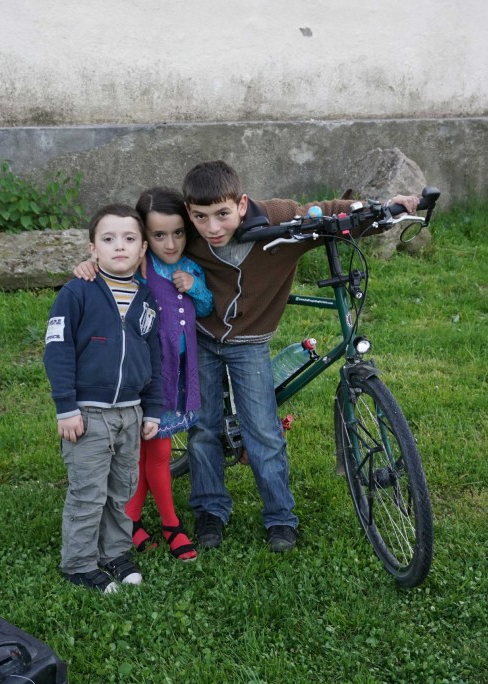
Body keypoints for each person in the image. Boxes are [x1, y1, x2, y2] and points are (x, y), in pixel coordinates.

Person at [181, 159, 421, 553]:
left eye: (222, 214)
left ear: (242, 204)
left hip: (249, 342)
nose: (212, 227)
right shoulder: (185, 229)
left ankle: (280, 517)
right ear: (189, 213)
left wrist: (385, 207)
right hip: (202, 335)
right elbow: (142, 228)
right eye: (200, 217)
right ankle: (210, 510)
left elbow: (327, 213)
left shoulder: (277, 219)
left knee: (263, 431)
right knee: (203, 428)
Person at [74, 188, 213, 561]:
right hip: (147, 378)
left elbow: (206, 304)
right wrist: (85, 266)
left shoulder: (190, 267)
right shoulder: (141, 265)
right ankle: (169, 523)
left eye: (178, 233)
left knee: (147, 454)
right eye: (158, 235)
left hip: (180, 376)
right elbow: (107, 269)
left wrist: (195, 286)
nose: (170, 243)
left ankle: (131, 520)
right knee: (151, 456)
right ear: (145, 240)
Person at [43, 203, 163, 594]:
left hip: (130, 411)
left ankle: (114, 552)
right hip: (88, 413)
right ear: (92, 248)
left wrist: (154, 409)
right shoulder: (77, 291)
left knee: (122, 489)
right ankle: (78, 563)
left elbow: (155, 357)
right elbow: (57, 349)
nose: (119, 247)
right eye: (108, 239)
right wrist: (66, 407)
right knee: (88, 492)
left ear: (143, 248)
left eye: (129, 239)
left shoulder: (146, 299)